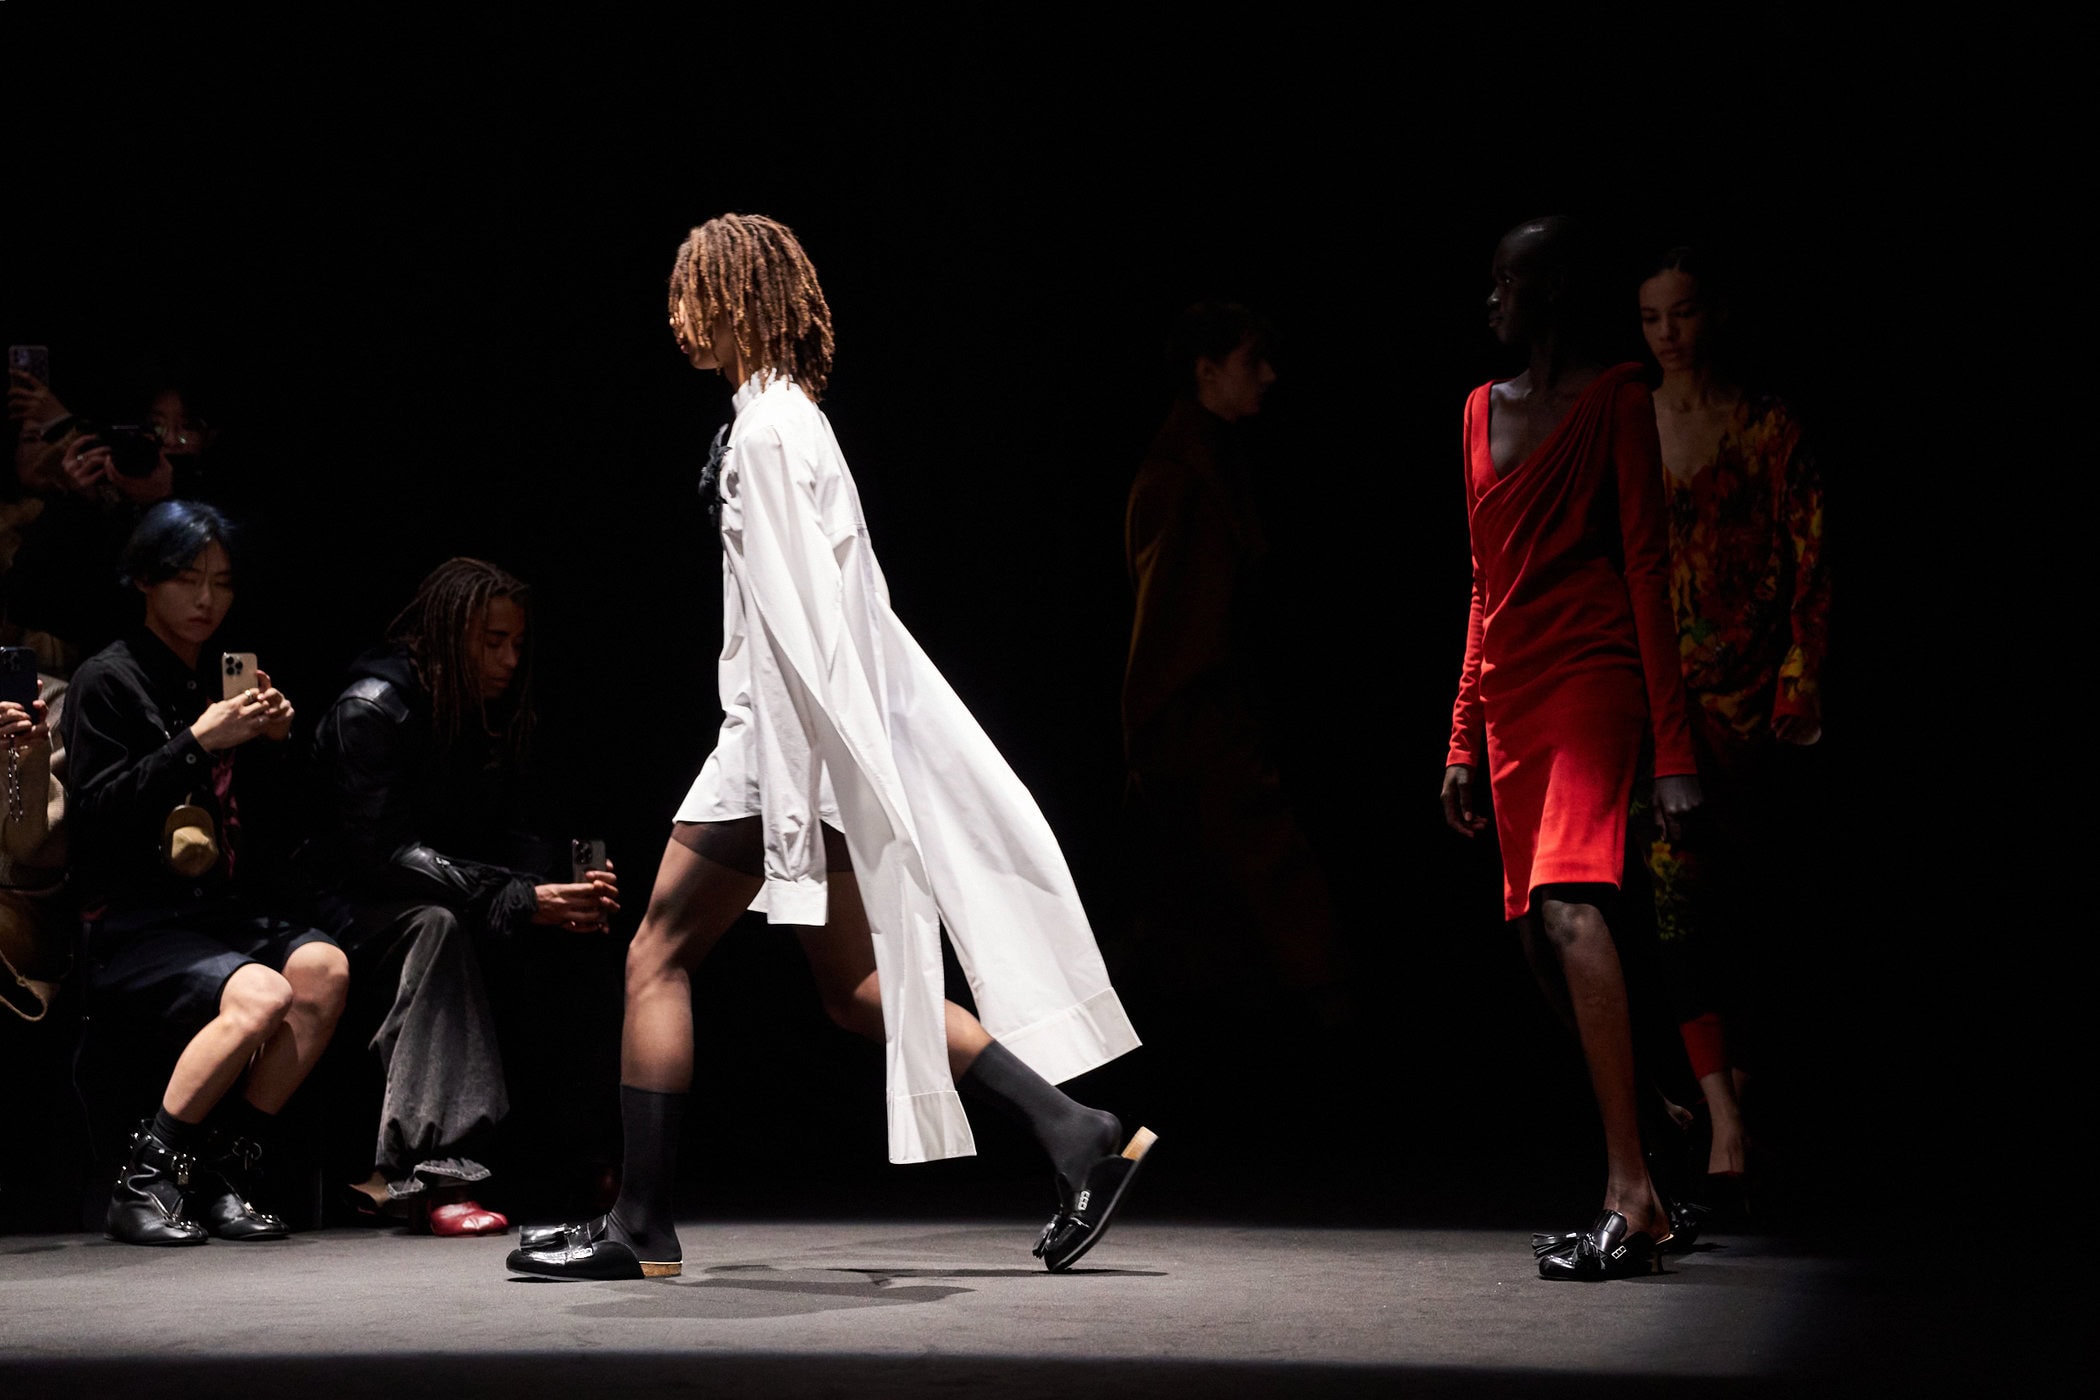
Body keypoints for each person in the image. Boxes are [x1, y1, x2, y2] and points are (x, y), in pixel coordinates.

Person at [507, 213, 1151, 1282]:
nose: (677, 316)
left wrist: (794, 790)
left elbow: (801, 628)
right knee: (854, 988)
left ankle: (641, 1226)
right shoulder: (792, 421)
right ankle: (1075, 1130)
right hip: (813, 753)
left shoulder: (768, 434)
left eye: (692, 293)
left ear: (738, 300)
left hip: (780, 751)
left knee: (656, 956)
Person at [1441, 217, 1703, 1281]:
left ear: (1546, 291)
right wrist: (1463, 731)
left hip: (1594, 678)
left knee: (1569, 904)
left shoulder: (1617, 402)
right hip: (1512, 697)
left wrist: (1674, 749)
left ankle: (1631, 1195)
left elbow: (1646, 567)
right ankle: (1656, 1129)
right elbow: (1483, 578)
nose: (1489, 301)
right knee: (1537, 940)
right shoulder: (1478, 410)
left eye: (1504, 282)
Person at [306, 556, 620, 1235]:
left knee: (579, 934)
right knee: (438, 928)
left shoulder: (484, 709)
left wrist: (567, 885)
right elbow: (381, 855)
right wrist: (517, 894)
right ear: (449, 635)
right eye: (492, 641)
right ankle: (437, 1174)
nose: (510, 659)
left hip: (443, 886)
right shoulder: (373, 707)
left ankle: (574, 1156)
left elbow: (507, 832)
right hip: (349, 904)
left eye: (517, 642)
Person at [64, 500, 348, 1246]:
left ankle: (224, 1174)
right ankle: (142, 1183)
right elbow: (94, 817)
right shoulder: (106, 679)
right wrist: (196, 742)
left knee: (324, 969)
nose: (206, 600)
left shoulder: (220, 677)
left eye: (221, 582)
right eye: (187, 579)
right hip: (134, 921)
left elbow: (277, 820)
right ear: (143, 579)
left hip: (219, 911)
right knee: (265, 994)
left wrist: (277, 739)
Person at [1635, 247, 1830, 1193]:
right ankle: (1720, 1116)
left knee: (1758, 907)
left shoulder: (1766, 424)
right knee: (1677, 910)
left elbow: (1812, 555)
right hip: (1663, 707)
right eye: (1650, 318)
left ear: (1713, 314)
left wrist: (1799, 679)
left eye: (1682, 312)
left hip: (1755, 706)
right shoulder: (1632, 424)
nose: (1667, 334)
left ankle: (1739, 1108)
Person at [1122, 302, 1348, 1036]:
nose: (1269, 376)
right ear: (1206, 371)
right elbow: (1171, 632)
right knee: (1257, 903)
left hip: (1216, 720)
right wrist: (1168, 735)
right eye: (1252, 361)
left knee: (1228, 922)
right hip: (1202, 728)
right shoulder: (1181, 476)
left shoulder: (1216, 459)